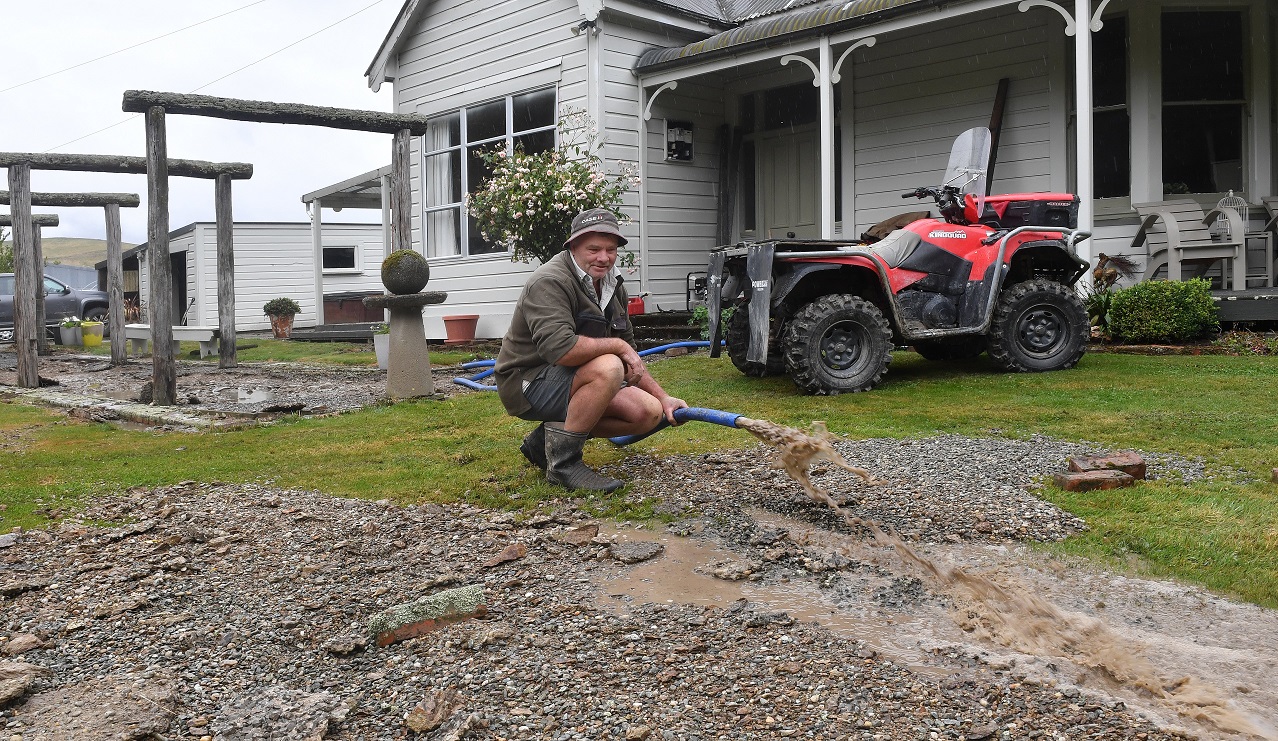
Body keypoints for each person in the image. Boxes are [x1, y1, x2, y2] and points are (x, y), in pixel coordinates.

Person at [494, 208, 687, 492]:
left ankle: (543, 443)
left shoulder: (613, 286)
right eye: (594, 249)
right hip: (526, 382)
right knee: (609, 365)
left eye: (610, 250)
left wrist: (664, 398)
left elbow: (629, 357)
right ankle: (563, 465)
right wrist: (617, 346)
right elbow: (561, 350)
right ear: (573, 246)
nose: (603, 257)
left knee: (647, 413)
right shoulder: (550, 281)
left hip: (571, 378)